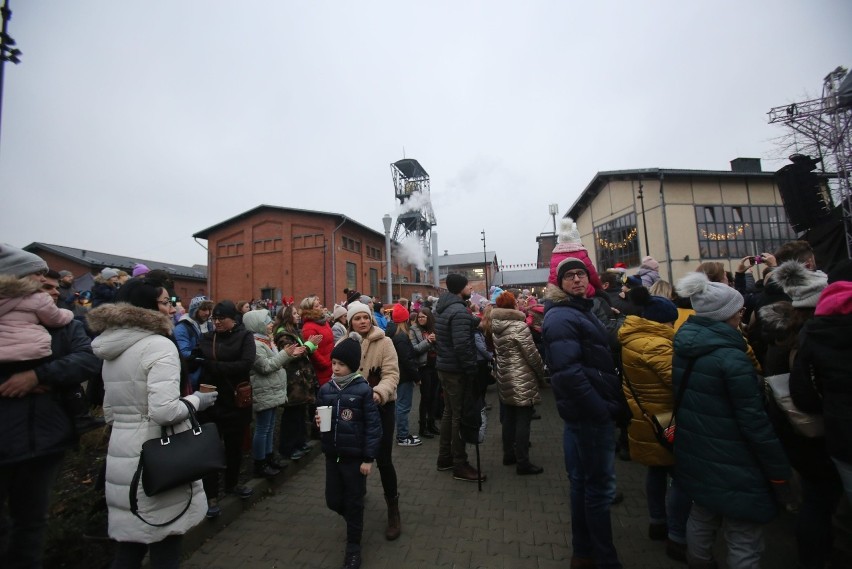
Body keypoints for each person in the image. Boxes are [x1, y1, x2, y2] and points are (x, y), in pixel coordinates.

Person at [87, 279, 218, 568]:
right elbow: (165, 412)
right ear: (145, 307)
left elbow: (109, 411)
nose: (171, 307)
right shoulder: (159, 346)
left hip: (122, 454)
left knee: (129, 546)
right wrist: (198, 401)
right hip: (159, 456)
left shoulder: (114, 349)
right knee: (166, 542)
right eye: (163, 302)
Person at [673, 272, 792, 569]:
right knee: (743, 532)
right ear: (725, 315)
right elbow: (754, 421)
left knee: (702, 514)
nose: (743, 313)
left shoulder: (685, 345)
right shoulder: (731, 357)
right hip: (735, 457)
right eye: (739, 310)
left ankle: (698, 562)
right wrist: (778, 470)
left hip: (698, 449)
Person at [0, 247, 101, 569]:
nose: (55, 290)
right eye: (44, 284)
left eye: (54, 284)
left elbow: (88, 359)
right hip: (8, 431)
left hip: (45, 436)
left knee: (32, 521)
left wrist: (38, 375)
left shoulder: (63, 325)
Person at [542, 257, 626, 569]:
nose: (577, 280)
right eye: (570, 276)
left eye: (581, 274)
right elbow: (568, 375)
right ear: (560, 283)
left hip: (583, 413)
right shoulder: (564, 317)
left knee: (581, 483)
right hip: (590, 415)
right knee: (599, 489)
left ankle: (584, 552)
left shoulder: (576, 309)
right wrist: (602, 409)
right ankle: (605, 559)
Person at [617, 287, 690, 562]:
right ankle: (677, 536)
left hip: (645, 415)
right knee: (680, 476)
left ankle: (657, 520)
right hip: (666, 419)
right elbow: (678, 380)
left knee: (656, 470)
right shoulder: (656, 344)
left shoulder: (632, 338)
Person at [316, 338, 382, 569]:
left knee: (353, 502)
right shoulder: (326, 389)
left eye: (341, 364)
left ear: (352, 366)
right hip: (332, 454)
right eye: (333, 362)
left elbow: (373, 427)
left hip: (354, 457)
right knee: (333, 500)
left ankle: (353, 548)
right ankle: (355, 517)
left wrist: (368, 458)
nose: (335, 368)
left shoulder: (363, 390)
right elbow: (321, 418)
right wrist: (318, 422)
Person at [193, 301, 256, 518]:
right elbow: (198, 359)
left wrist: (215, 366)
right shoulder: (207, 338)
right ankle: (210, 495)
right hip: (210, 402)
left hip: (236, 401)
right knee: (210, 449)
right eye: (214, 318)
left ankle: (232, 484)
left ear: (233, 319)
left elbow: (246, 363)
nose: (217, 322)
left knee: (234, 447)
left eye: (222, 318)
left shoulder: (245, 336)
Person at [346, 301, 402, 540]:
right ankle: (356, 502)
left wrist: (378, 393)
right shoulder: (344, 344)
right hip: (354, 411)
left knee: (384, 459)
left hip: (381, 409)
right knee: (356, 458)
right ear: (350, 322)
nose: (362, 321)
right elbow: (336, 372)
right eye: (357, 318)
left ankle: (393, 508)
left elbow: (392, 374)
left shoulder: (385, 342)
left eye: (365, 317)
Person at [434, 274, 486, 483]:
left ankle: (444, 457)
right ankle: (459, 463)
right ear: (460, 289)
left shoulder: (445, 308)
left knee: (449, 413)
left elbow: (458, 328)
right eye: (468, 285)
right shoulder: (458, 311)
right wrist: (471, 369)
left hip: (445, 368)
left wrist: (474, 322)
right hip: (457, 371)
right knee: (459, 416)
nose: (471, 287)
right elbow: (462, 345)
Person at [243, 310, 304, 478]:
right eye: (267, 321)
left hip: (271, 389)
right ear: (257, 324)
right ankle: (260, 463)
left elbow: (277, 361)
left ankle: (269, 457)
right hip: (264, 390)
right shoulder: (255, 344)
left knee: (269, 426)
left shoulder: (266, 341)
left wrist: (288, 355)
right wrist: (286, 354)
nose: (271, 324)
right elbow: (266, 367)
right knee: (262, 428)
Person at [490, 291, 546, 475]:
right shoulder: (519, 327)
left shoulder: (496, 325)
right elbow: (532, 355)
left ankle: (509, 455)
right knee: (523, 420)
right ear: (513, 306)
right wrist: (541, 373)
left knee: (509, 419)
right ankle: (523, 462)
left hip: (504, 375)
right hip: (521, 377)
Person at [273, 304, 316, 462]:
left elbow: (302, 350)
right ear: (287, 317)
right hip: (292, 379)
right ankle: (287, 448)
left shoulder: (294, 332)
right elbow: (291, 354)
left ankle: (300, 442)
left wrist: (310, 346)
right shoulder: (283, 335)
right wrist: (309, 346)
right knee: (291, 414)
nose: (298, 315)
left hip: (300, 378)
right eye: (295, 313)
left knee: (299, 412)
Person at [386, 304, 420, 447]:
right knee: (403, 407)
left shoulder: (392, 333)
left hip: (398, 374)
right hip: (403, 376)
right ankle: (402, 436)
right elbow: (406, 359)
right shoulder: (401, 336)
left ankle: (403, 434)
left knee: (400, 406)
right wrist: (416, 377)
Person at [410, 307, 440, 439]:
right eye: (419, 317)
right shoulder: (413, 330)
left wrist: (437, 340)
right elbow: (415, 349)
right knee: (425, 397)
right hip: (423, 367)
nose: (421, 319)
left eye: (423, 317)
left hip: (436, 366)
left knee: (434, 396)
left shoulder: (434, 329)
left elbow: (441, 346)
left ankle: (431, 423)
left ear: (429, 318)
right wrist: (428, 341)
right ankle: (423, 427)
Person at [174, 296, 214, 391]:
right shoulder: (182, 328)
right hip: (192, 378)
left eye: (209, 309)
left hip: (205, 376)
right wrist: (202, 355)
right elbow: (183, 353)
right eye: (203, 309)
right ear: (194, 310)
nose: (207, 313)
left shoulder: (208, 324)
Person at [299, 296, 333, 386]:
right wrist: (325, 364)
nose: (321, 306)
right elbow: (313, 352)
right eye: (317, 306)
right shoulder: (308, 328)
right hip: (323, 370)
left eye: (319, 304)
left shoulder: (323, 322)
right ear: (310, 310)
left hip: (332, 366)